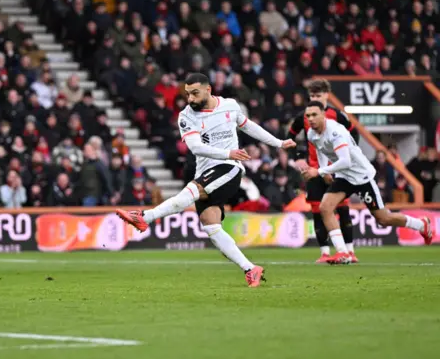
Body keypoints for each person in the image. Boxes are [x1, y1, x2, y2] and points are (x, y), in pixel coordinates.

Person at [116, 73, 296, 288]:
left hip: (229, 169)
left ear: (208, 89)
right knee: (212, 228)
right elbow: (196, 147)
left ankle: (146, 216)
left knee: (192, 190)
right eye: (187, 94)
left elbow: (248, 126)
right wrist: (228, 152)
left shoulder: (230, 105)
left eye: (194, 93)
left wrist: (278, 143)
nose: (190, 99)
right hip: (209, 169)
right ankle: (251, 269)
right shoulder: (186, 116)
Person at [301, 102, 433, 264]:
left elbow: (346, 161)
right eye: (308, 116)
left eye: (314, 115)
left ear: (323, 115)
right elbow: (321, 151)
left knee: (383, 218)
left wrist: (319, 171)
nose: (311, 119)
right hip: (344, 177)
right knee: (325, 207)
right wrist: (324, 170)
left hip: (361, 176)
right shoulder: (311, 134)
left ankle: (421, 224)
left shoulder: (336, 132)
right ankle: (343, 253)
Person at [288, 79, 360, 264]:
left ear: (327, 95)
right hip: (313, 170)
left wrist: (350, 157)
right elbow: (290, 136)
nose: (315, 99)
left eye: (318, 95)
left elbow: (355, 133)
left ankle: (350, 252)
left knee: (342, 209)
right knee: (317, 211)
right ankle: (325, 253)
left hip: (337, 170)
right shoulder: (304, 116)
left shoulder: (338, 115)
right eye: (312, 96)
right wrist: (297, 156)